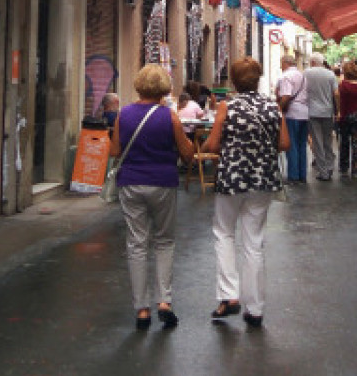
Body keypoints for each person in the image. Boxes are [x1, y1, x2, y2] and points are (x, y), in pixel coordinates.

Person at [202, 56, 289, 328]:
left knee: (224, 233)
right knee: (254, 242)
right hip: (263, 179)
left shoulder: (227, 106)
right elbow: (284, 143)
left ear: (234, 80)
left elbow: (213, 145)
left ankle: (229, 295)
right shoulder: (273, 106)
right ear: (258, 79)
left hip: (231, 178)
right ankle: (255, 308)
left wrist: (229, 146)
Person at [109, 65, 195, 330]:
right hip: (162, 182)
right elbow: (187, 153)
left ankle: (142, 309)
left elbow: (114, 151)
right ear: (164, 89)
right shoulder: (170, 116)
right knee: (164, 240)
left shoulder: (123, 114)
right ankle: (164, 302)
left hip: (131, 182)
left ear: (139, 86)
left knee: (137, 243)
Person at [303, 53, 339, 181]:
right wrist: (338, 110)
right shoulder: (330, 74)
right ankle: (329, 167)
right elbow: (336, 93)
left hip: (312, 112)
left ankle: (323, 171)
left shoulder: (306, 73)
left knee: (317, 142)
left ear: (313, 62)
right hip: (327, 111)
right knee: (327, 141)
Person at [275, 54, 308, 183]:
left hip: (292, 113)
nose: (280, 67)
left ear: (285, 63)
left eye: (281, 64)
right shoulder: (302, 76)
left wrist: (279, 109)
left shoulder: (286, 76)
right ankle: (302, 175)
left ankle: (293, 176)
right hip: (305, 113)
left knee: (292, 145)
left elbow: (286, 96)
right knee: (302, 145)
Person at [335, 60, 357, 177]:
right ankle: (356, 168)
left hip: (345, 116)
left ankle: (344, 167)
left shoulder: (342, 85)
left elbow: (340, 101)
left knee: (344, 142)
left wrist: (339, 112)